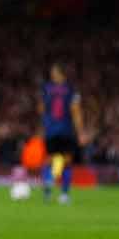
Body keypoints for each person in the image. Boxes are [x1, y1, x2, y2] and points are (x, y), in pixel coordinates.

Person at [40, 63, 84, 204]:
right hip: (66, 129)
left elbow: (41, 108)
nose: (52, 74)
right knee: (67, 161)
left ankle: (47, 190)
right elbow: (75, 110)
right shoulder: (71, 89)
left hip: (51, 129)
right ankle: (64, 194)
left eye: (53, 72)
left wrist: (45, 124)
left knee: (49, 160)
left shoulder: (46, 88)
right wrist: (80, 132)